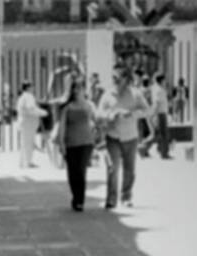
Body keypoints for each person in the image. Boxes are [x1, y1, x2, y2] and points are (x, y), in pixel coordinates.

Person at [97, 67, 151, 208]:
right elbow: (98, 113)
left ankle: (126, 196)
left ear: (126, 79)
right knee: (112, 168)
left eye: (117, 78)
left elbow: (147, 110)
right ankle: (111, 198)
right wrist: (110, 115)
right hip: (112, 136)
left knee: (129, 170)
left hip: (130, 136)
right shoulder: (107, 94)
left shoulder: (136, 94)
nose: (114, 81)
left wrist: (132, 114)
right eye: (113, 78)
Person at [54, 79, 97, 211]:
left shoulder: (89, 105)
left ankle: (80, 201)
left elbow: (95, 121)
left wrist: (96, 132)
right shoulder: (67, 107)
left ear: (84, 90)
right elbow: (62, 126)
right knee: (72, 173)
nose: (77, 91)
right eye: (74, 88)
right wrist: (61, 143)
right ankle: (75, 196)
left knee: (81, 171)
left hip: (86, 142)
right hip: (71, 143)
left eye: (79, 88)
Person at [16, 81, 47, 168]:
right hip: (28, 123)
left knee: (24, 143)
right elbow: (31, 109)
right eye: (32, 86)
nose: (33, 88)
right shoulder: (29, 96)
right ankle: (28, 163)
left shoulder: (22, 97)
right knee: (28, 143)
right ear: (28, 87)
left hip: (24, 122)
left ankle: (23, 162)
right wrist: (42, 112)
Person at [149, 73, 171, 159]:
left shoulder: (159, 89)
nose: (165, 81)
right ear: (161, 80)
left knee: (161, 134)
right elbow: (157, 103)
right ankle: (164, 153)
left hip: (162, 113)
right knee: (164, 134)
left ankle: (161, 151)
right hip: (161, 114)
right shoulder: (159, 90)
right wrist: (153, 114)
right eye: (164, 79)